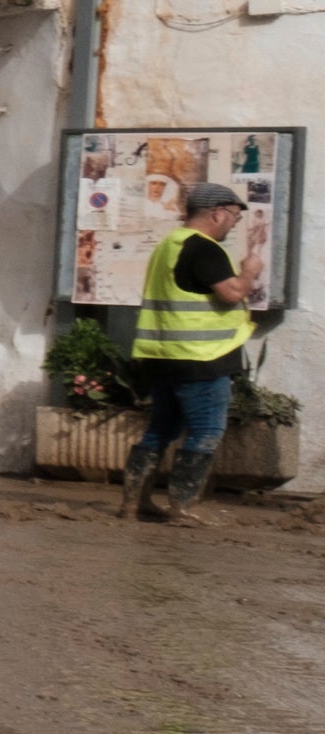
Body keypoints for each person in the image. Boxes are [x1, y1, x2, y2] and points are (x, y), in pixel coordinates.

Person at [123, 180, 258, 524]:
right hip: (200, 358)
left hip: (161, 357)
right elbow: (231, 293)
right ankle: (183, 506)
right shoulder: (204, 248)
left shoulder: (169, 244)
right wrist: (251, 271)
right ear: (218, 213)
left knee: (161, 428)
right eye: (234, 217)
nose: (234, 224)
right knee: (207, 429)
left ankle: (134, 503)